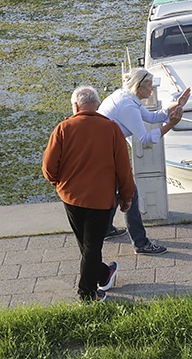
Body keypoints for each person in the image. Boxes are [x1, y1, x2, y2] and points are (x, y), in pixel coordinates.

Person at [42, 86, 135, 302]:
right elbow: (124, 168)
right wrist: (127, 197)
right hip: (101, 199)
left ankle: (101, 277)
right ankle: (88, 292)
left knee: (87, 244)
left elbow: (48, 166)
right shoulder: (112, 130)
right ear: (98, 106)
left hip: (71, 197)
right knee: (91, 245)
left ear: (75, 106)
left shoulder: (63, 128)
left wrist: (59, 183)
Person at [98, 68, 191, 255]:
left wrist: (177, 104)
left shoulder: (126, 96)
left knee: (118, 192)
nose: (152, 89)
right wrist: (171, 125)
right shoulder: (128, 107)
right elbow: (145, 140)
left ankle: (105, 230)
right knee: (130, 194)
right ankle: (141, 243)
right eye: (149, 85)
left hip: (106, 150)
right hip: (107, 153)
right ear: (139, 87)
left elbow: (153, 116)